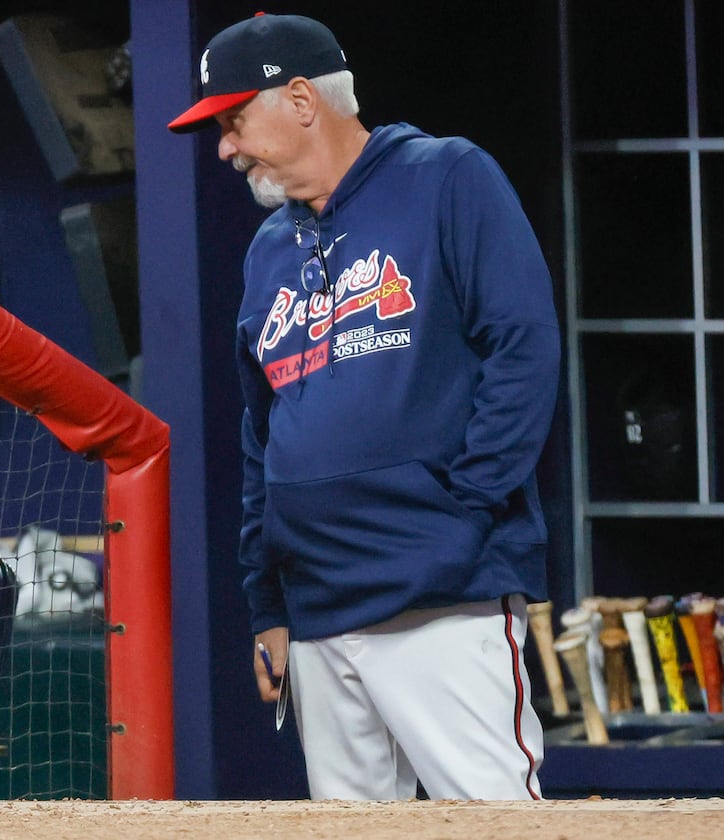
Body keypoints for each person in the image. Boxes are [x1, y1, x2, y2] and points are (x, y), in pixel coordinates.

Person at [169, 13, 560, 800]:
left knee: (494, 820)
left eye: (234, 120)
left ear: (303, 99)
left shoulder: (447, 177)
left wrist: (462, 511)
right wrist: (267, 603)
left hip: (441, 598)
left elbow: (524, 350)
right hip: (317, 612)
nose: (225, 148)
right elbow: (262, 433)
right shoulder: (269, 249)